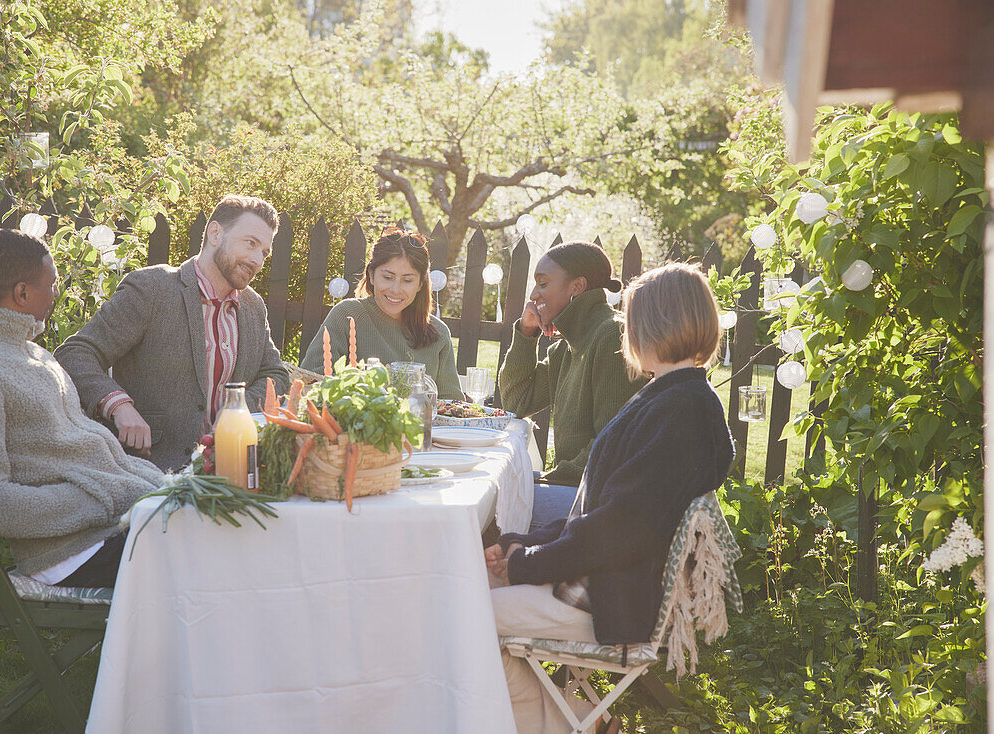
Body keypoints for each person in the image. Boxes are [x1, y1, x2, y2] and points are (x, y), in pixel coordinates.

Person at [485, 262, 735, 734]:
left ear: (650, 326)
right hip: (597, 582)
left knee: (461, 612)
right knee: (467, 582)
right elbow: (602, 510)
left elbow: (620, 529)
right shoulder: (671, 397)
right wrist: (524, 541)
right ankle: (579, 720)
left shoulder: (679, 412)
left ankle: (563, 725)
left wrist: (527, 563)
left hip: (606, 599)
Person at [0, 229, 165, 587]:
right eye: (51, 284)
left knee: (233, 529)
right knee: (224, 554)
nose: (55, 293)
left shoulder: (32, 353)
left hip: (113, 527)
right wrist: (107, 496)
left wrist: (163, 486)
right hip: (73, 554)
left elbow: (85, 454)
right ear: (22, 293)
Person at [56, 195, 290, 471]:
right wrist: (119, 406)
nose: (256, 259)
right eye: (250, 243)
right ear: (215, 234)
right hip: (148, 469)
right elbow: (75, 353)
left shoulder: (253, 306)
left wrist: (237, 410)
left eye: (264, 252)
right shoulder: (152, 289)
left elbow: (276, 376)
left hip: (228, 471)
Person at [497, 241, 646, 529]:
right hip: (574, 486)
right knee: (495, 493)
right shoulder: (566, 348)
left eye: (543, 283)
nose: (533, 294)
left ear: (576, 287)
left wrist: (550, 476)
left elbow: (610, 446)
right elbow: (516, 403)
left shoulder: (611, 336)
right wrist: (526, 333)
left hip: (602, 502)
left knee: (496, 509)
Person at [300, 227, 464, 400]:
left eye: (407, 280)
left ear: (420, 285)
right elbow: (311, 384)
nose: (395, 290)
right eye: (387, 277)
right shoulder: (347, 315)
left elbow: (452, 404)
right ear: (371, 275)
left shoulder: (439, 333)